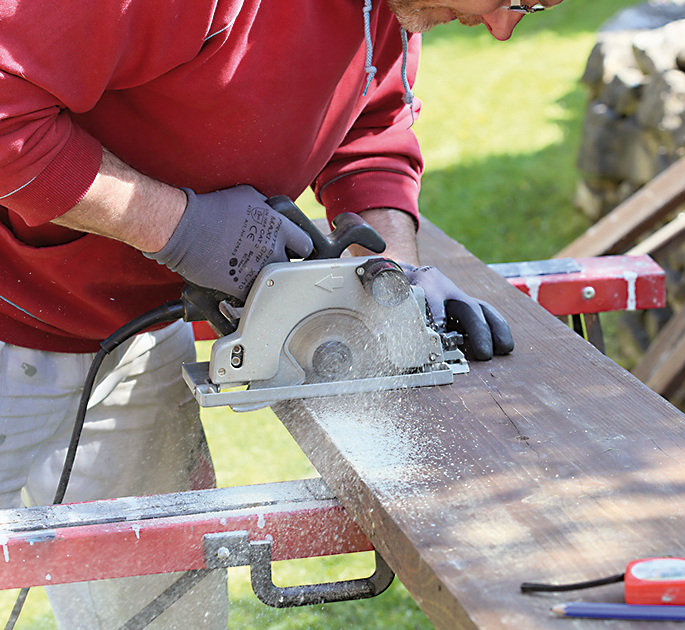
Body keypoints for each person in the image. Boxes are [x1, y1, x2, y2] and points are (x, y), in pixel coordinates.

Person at [0, 0, 561, 628]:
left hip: (131, 334)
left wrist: (390, 282)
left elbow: (369, 130)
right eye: (518, 0)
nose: (505, 26)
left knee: (163, 617)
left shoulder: (395, 10)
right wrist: (181, 228)